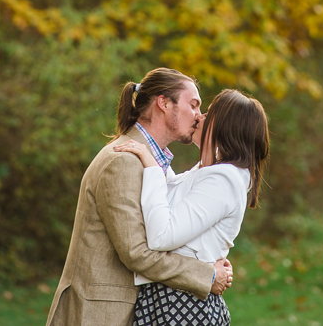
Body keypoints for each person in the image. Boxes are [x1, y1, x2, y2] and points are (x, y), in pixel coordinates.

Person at [46, 68, 232, 326]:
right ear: (164, 103)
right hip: (99, 315)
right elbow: (136, 252)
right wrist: (206, 275)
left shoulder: (150, 162)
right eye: (193, 105)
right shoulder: (123, 161)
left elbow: (164, 232)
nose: (200, 116)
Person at [114, 88, 270, 325]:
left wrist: (151, 165)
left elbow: (161, 237)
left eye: (209, 114)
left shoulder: (224, 180)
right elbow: (165, 201)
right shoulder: (207, 172)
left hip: (182, 305)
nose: (200, 117)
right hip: (171, 299)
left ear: (226, 127)